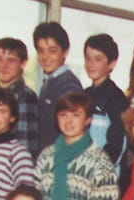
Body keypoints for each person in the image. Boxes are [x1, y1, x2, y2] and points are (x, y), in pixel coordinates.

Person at [35, 92, 119, 200]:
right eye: (63, 115)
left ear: (87, 120)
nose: (68, 121)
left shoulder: (99, 161)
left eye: (75, 115)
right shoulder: (46, 156)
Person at [0, 37, 39, 159]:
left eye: (11, 60)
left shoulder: (25, 98)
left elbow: (25, 150)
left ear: (23, 63)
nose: (4, 65)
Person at [33, 22, 83, 151]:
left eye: (52, 51)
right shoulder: (48, 82)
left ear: (65, 52)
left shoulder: (69, 85)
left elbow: (72, 132)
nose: (45, 57)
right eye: (41, 51)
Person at [83, 34, 129, 172]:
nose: (91, 64)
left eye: (98, 59)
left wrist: (98, 171)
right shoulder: (83, 95)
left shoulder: (116, 98)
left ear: (111, 63)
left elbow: (117, 145)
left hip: (104, 176)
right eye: (88, 58)